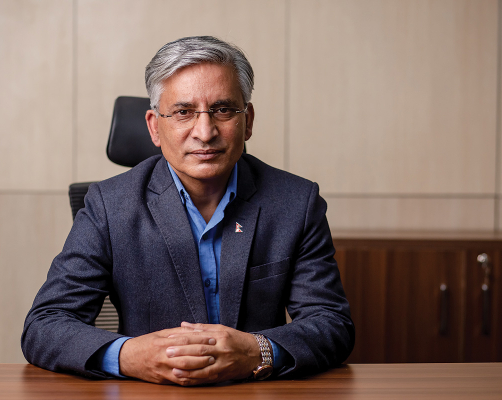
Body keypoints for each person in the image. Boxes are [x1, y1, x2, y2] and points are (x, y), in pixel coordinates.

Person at [22, 36, 354, 386]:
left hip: (254, 390)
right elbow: (45, 325)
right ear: (154, 126)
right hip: (149, 393)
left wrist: (257, 350)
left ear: (248, 121)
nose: (205, 132)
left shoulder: (295, 202)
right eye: (183, 112)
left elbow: (332, 324)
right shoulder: (109, 205)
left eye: (223, 110)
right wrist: (130, 355)